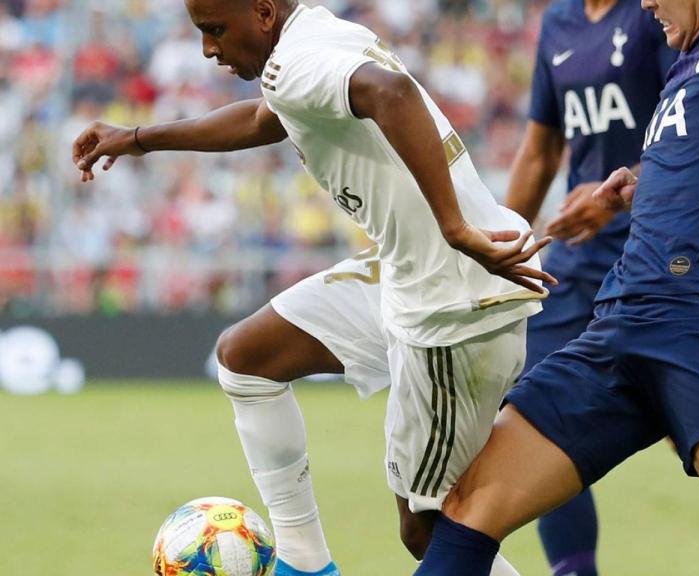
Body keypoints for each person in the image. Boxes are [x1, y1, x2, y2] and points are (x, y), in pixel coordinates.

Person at [71, 2, 557, 576]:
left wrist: (453, 226)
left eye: (216, 30)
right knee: (247, 357)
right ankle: (305, 564)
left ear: (263, 12)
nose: (208, 49)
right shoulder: (313, 36)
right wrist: (136, 138)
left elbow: (393, 92)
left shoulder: (298, 61)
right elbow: (264, 119)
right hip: (408, 271)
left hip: (452, 302)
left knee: (430, 530)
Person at [414, 1, 699, 575]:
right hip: (619, 319)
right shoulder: (694, 55)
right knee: (470, 508)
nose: (645, 4)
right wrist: (637, 187)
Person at [504, 0, 675, 574]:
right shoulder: (559, 23)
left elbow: (693, 128)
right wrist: (498, 245)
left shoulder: (655, 12)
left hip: (654, 253)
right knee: (530, 415)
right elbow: (541, 150)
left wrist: (623, 194)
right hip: (577, 260)